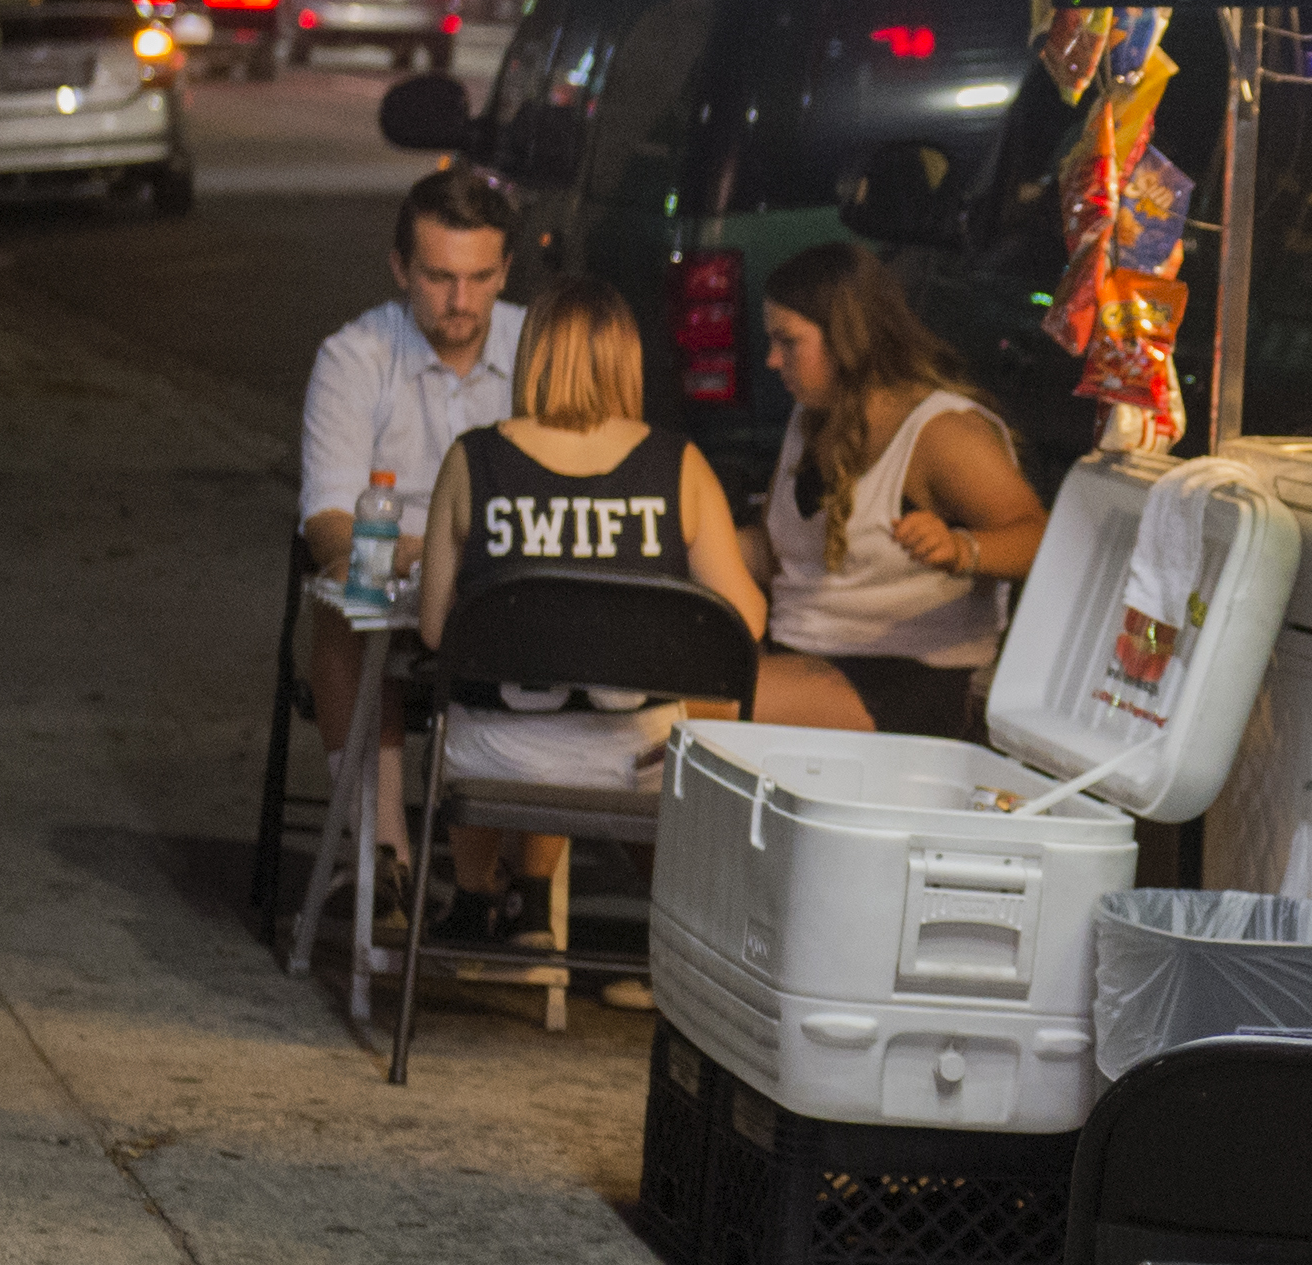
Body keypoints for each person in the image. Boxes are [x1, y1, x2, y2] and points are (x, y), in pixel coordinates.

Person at [415, 277, 764, 943]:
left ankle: (473, 895)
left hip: (494, 760)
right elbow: (741, 624)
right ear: (627, 360)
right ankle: (543, 907)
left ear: (532, 357)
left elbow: (435, 629)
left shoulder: (473, 459)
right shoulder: (679, 465)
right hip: (636, 762)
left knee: (473, 703)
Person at [301, 166, 531, 870]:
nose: (460, 301)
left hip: (510, 588)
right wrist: (420, 556)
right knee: (343, 615)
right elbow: (327, 523)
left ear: (505, 271)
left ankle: (512, 883)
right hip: (400, 575)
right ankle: (386, 866)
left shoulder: (538, 348)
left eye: (480, 278)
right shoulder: (354, 357)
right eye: (438, 277)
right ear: (400, 269)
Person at [742, 241, 1048, 735]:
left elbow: (1038, 538)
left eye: (788, 341)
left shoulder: (943, 433)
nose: (773, 360)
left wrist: (962, 549)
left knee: (694, 703)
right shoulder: (808, 418)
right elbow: (781, 554)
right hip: (805, 657)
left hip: (907, 679)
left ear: (846, 339)